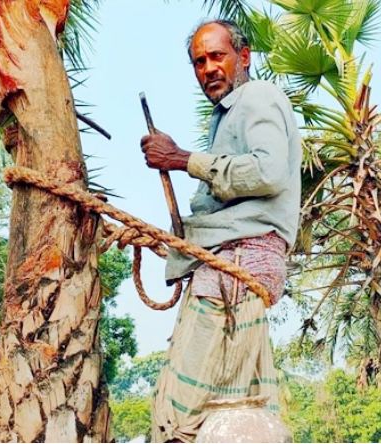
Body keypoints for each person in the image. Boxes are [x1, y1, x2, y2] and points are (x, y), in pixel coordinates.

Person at [139, 19, 302, 442]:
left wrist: (182, 159)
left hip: (237, 262)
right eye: (199, 61)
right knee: (234, 399)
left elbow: (268, 171)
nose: (208, 68)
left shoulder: (258, 97)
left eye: (217, 56)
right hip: (229, 261)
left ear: (243, 57)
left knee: (180, 411)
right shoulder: (227, 114)